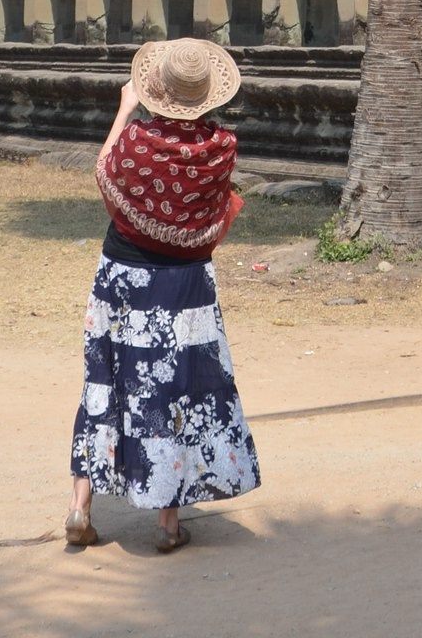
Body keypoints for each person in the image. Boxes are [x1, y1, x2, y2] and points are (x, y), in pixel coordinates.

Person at [69, 39, 260, 553]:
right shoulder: (220, 147)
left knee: (106, 380)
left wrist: (124, 109)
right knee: (175, 386)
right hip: (185, 283)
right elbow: (214, 207)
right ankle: (168, 523)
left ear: (156, 90)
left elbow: (103, 172)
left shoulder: (135, 140)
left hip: (122, 276)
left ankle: (80, 505)